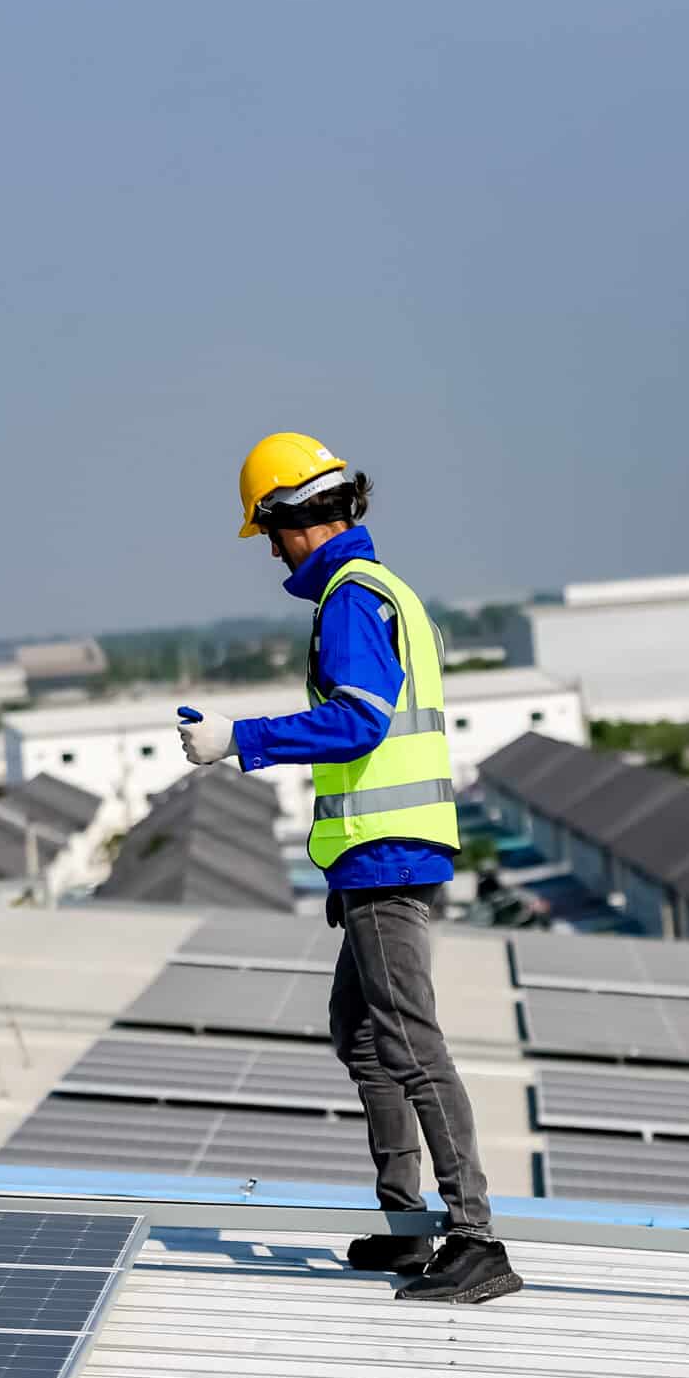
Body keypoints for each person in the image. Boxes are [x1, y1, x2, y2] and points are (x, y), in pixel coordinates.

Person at [176, 432, 521, 1306]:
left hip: (385, 852)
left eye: (273, 531)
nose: (276, 551)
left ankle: (475, 1237)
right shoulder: (385, 589)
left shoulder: (352, 600)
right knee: (363, 1033)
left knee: (406, 1038)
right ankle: (408, 1225)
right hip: (384, 851)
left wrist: (237, 741)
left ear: (295, 518)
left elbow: (361, 721)